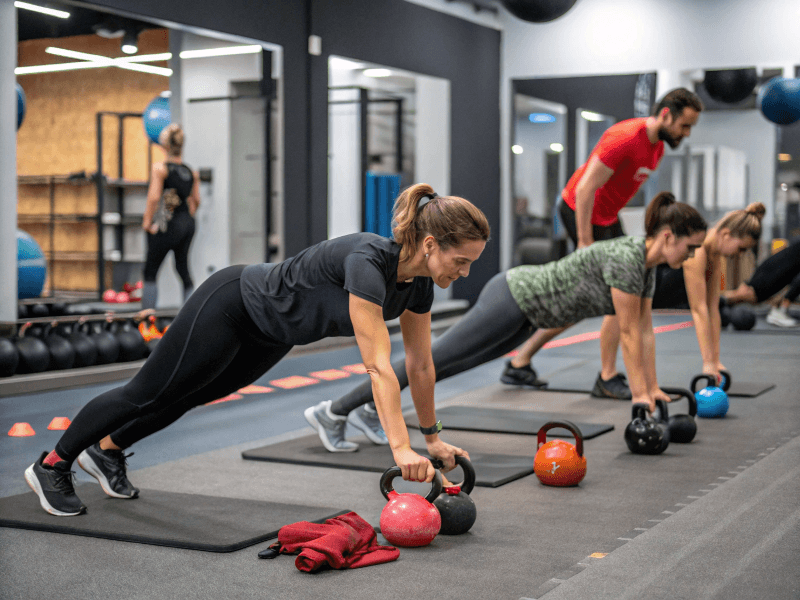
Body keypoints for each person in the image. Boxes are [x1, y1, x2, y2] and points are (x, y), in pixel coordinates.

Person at [24, 183, 490, 517]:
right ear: (430, 244)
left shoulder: (419, 285)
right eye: (461, 261)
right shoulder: (368, 261)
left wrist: (431, 438)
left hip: (273, 334)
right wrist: (400, 447)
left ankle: (107, 451)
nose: (465, 272)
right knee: (146, 391)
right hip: (232, 303)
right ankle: (52, 464)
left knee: (190, 395)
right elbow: (378, 366)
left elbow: (420, 365)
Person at [310, 192, 707, 453]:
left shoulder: (646, 268)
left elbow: (644, 330)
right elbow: (628, 332)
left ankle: (369, 407)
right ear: (668, 237)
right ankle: (333, 411)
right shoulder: (626, 258)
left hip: (530, 317)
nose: (691, 257)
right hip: (515, 297)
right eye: (690, 248)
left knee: (452, 365)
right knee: (432, 360)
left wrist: (652, 389)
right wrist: (639, 396)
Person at [503, 88, 704, 399]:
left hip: (607, 219)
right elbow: (585, 188)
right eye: (685, 125)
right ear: (666, 115)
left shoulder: (657, 149)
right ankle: (607, 376)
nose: (687, 133)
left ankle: (521, 360)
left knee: (598, 299)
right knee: (616, 296)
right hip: (580, 211)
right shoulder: (624, 137)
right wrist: (585, 242)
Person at [652, 203, 765, 381]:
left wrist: (716, 361)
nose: (740, 255)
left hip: (678, 297)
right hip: (656, 294)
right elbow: (699, 309)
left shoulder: (714, 254)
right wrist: (708, 363)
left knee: (722, 308)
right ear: (726, 234)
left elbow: (712, 307)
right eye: (741, 248)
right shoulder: (698, 250)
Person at [140, 124, 200, 311]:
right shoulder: (191, 172)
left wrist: (147, 222)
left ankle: (146, 320)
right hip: (187, 224)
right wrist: (186, 218)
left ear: (165, 146)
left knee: (150, 271)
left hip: (167, 224)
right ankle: (190, 316)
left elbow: (154, 197)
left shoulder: (161, 168)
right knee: (183, 269)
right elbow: (196, 201)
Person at [720, 236, 800, 328]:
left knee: (743, 295)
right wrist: (783, 306)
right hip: (771, 273)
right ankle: (710, 304)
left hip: (772, 269)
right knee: (746, 294)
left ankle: (713, 305)